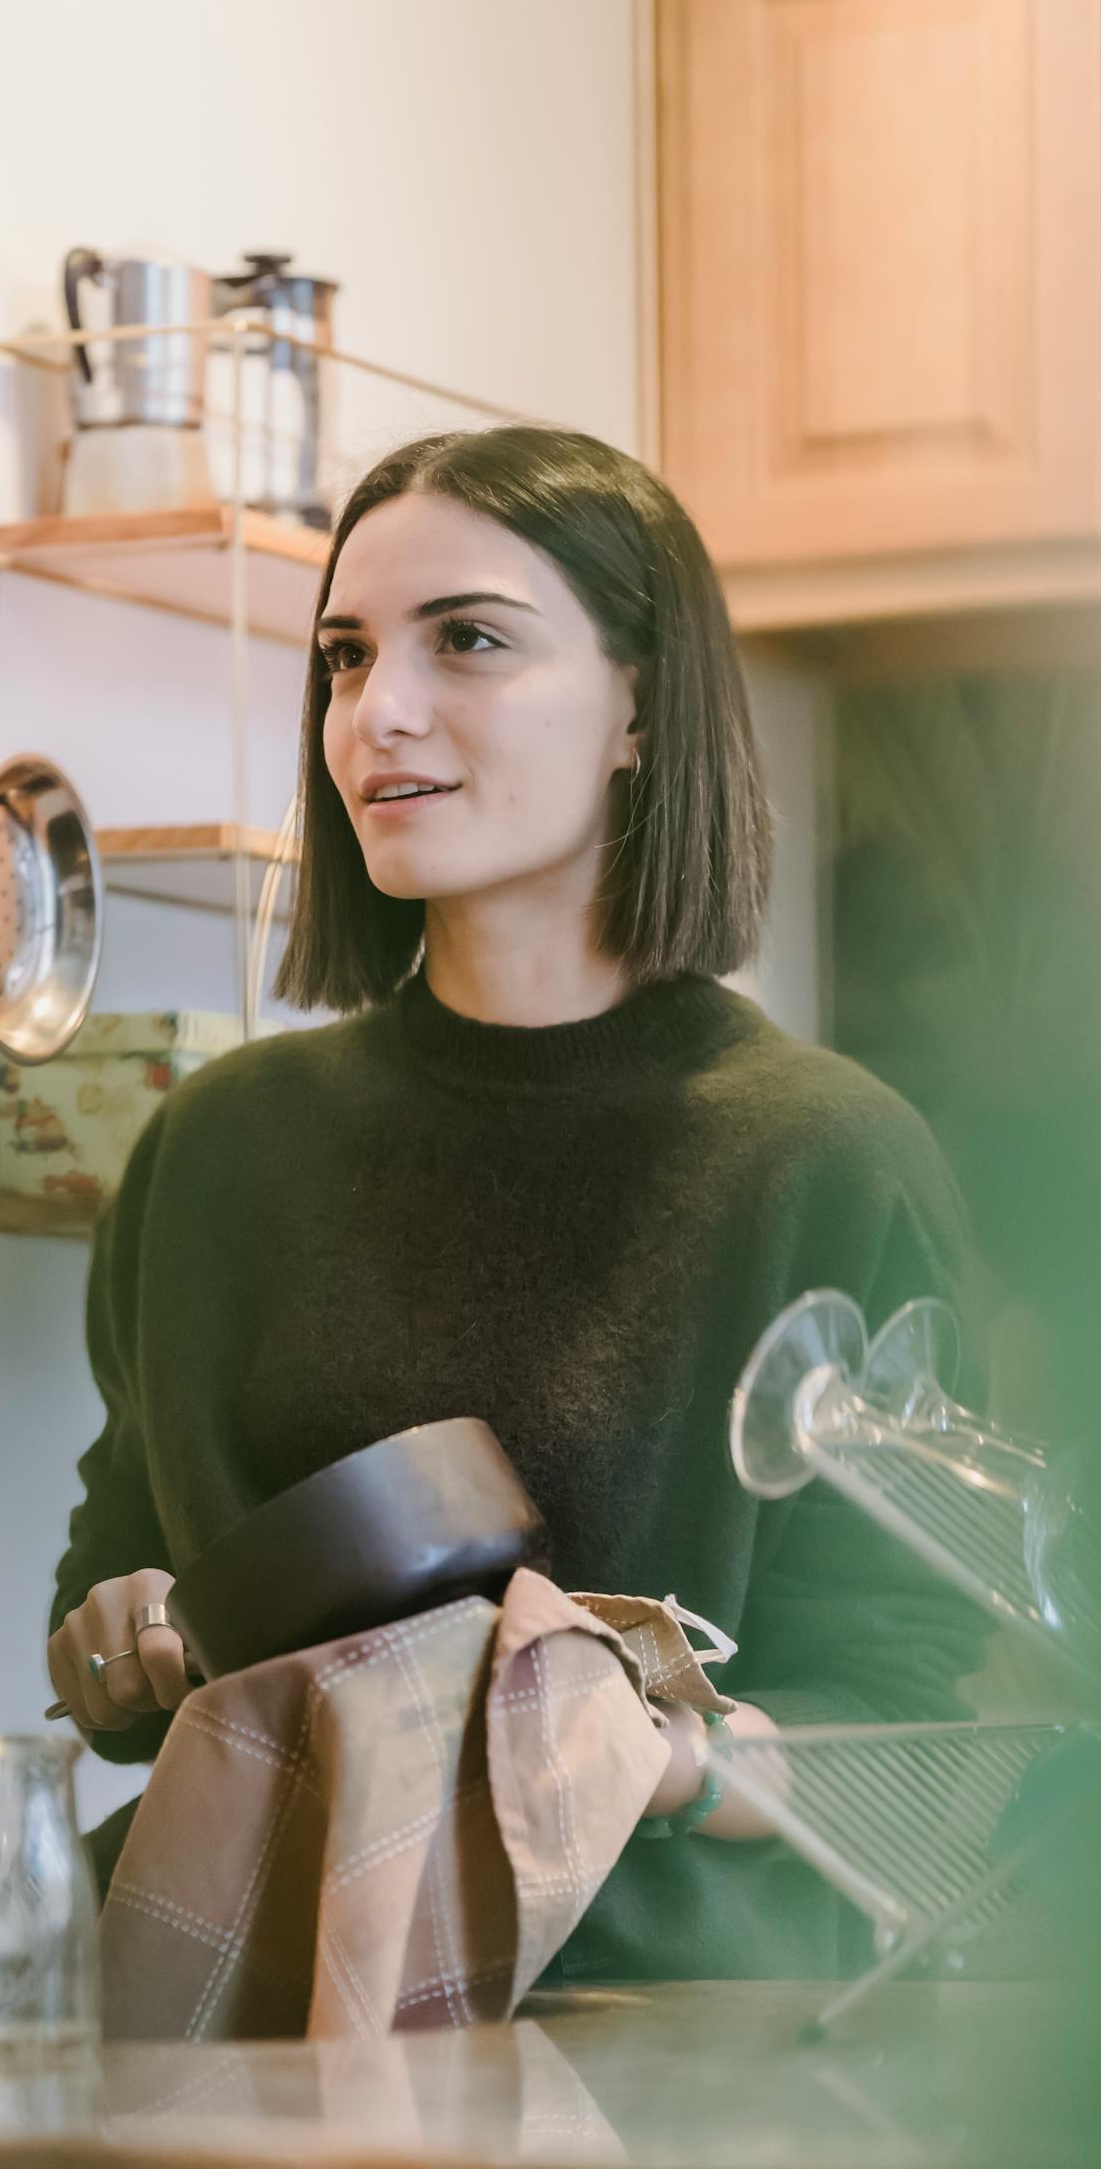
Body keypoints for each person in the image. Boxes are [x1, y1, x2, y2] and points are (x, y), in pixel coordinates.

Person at [48, 422, 985, 1978]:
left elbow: (900, 1724)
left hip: (656, 2044)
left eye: (468, 640)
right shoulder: (214, 1153)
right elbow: (115, 1602)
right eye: (344, 659)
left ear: (640, 705)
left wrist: (639, 1755)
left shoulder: (825, 1161)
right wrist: (124, 1638)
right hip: (239, 2015)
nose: (378, 713)